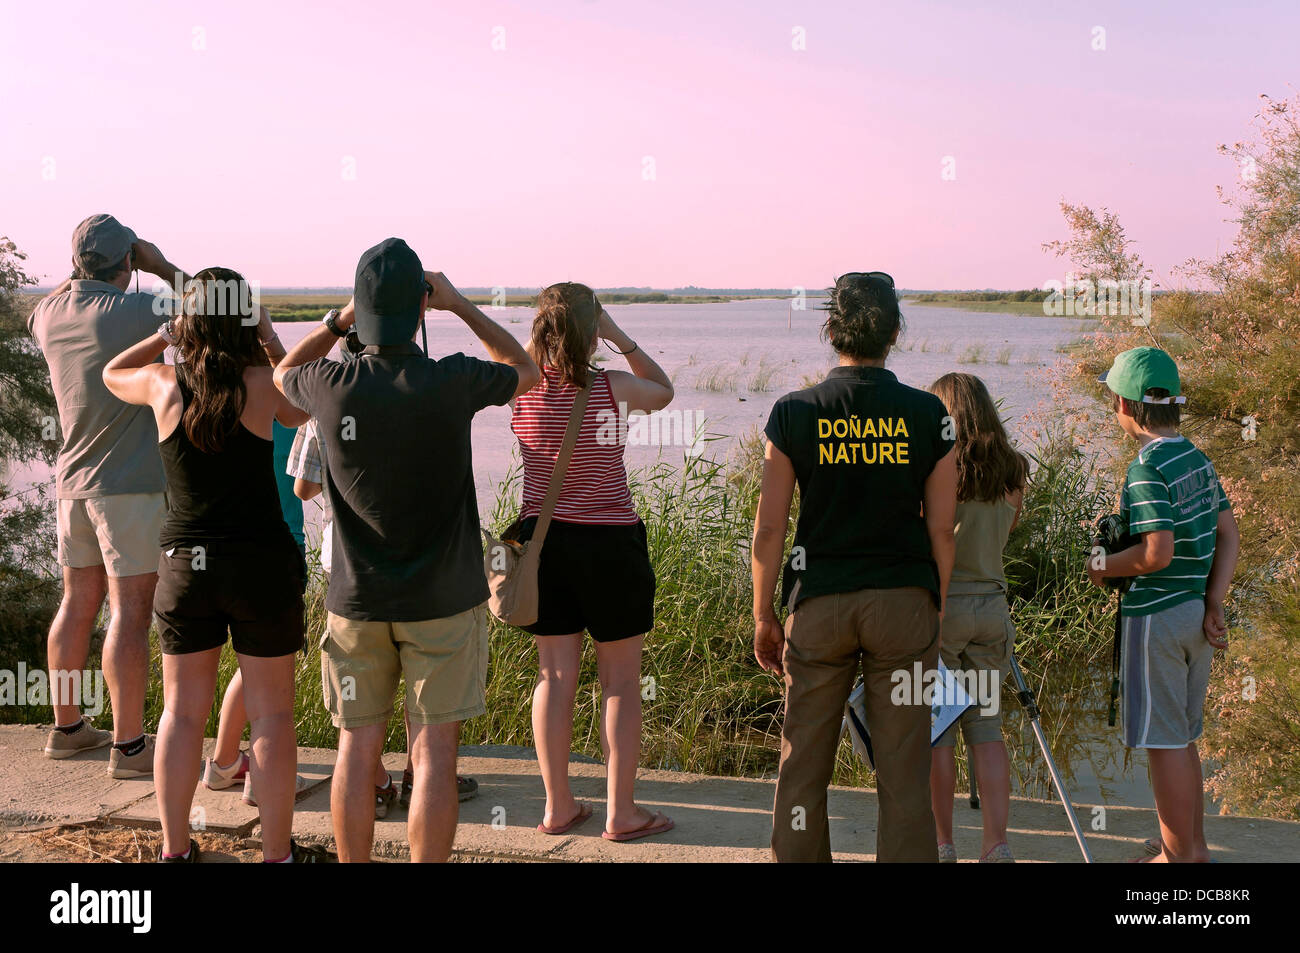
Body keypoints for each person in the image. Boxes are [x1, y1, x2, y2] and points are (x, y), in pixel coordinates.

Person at [274, 238, 538, 862]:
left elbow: (283, 374)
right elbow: (523, 370)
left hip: (357, 602)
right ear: (420, 308)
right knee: (436, 758)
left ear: (360, 311)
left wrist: (337, 321)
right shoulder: (450, 379)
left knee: (355, 752)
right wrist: (460, 306)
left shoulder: (331, 386)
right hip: (444, 602)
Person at [103, 267, 330, 863]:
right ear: (244, 317)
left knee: (180, 714)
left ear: (191, 319)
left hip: (184, 566)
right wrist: (270, 335)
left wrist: (164, 336)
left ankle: (176, 850)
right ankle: (277, 854)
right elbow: (301, 403)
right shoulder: (262, 382)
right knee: (274, 715)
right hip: (260, 562)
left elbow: (109, 373)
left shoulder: (163, 383)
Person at [751, 271, 957, 863]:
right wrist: (936, 603)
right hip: (903, 604)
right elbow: (941, 528)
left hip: (818, 605)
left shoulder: (793, 412)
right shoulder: (929, 415)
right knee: (903, 769)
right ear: (895, 331)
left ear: (831, 330)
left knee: (802, 766)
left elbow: (769, 529)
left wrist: (763, 613)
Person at [508, 282, 675, 841]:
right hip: (609, 544)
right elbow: (665, 391)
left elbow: (511, 360)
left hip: (543, 544)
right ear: (591, 327)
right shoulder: (612, 388)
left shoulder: (522, 389)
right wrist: (617, 334)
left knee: (553, 675)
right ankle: (620, 812)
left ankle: (558, 806)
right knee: (622, 681)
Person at [285, 346, 481, 819]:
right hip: (424, 574)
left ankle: (375, 785)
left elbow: (302, 488)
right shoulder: (430, 393)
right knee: (426, 693)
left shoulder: (326, 398)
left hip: (350, 569)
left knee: (357, 720)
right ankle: (420, 773)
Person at [29, 214, 190, 777]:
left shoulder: (46, 314)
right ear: (128, 261)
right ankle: (128, 747)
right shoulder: (138, 310)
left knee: (77, 601)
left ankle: (67, 728)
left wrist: (93, 269)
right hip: (129, 486)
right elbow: (217, 306)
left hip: (70, 484)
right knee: (129, 611)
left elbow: (59, 294)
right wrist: (161, 265)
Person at [1088, 346, 1239, 863]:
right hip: (1196, 617)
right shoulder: (1198, 457)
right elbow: (1228, 534)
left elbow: (1156, 552)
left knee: (1163, 743)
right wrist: (1214, 599)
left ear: (1127, 406)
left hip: (1156, 619)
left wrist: (1102, 566)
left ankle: (1177, 860)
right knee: (1183, 738)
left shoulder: (1147, 466)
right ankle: (1191, 847)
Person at [926, 373, 1028, 863]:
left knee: (937, 730)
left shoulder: (937, 465)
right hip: (992, 608)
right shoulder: (1012, 470)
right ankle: (996, 844)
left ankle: (943, 843)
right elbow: (1006, 530)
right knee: (987, 729)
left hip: (944, 607)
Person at [200, 419, 311, 807]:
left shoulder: (223, 398)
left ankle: (226, 761)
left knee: (253, 669)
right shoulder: (285, 403)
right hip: (277, 547)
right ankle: (262, 778)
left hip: (226, 546)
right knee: (270, 673)